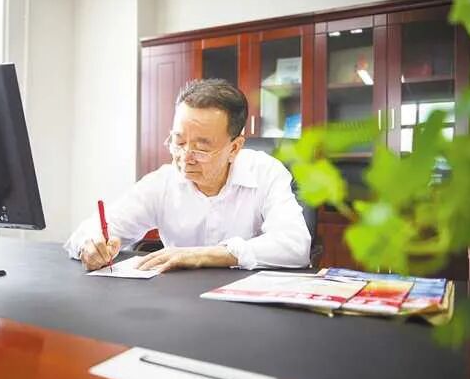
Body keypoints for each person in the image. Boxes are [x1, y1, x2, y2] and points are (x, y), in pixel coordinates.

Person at [64, 79, 311, 272]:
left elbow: (295, 245)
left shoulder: (265, 172)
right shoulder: (162, 183)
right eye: (178, 141)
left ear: (234, 148)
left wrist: (201, 255)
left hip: (248, 304)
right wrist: (92, 245)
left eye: (201, 148)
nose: (185, 157)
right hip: (179, 303)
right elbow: (88, 233)